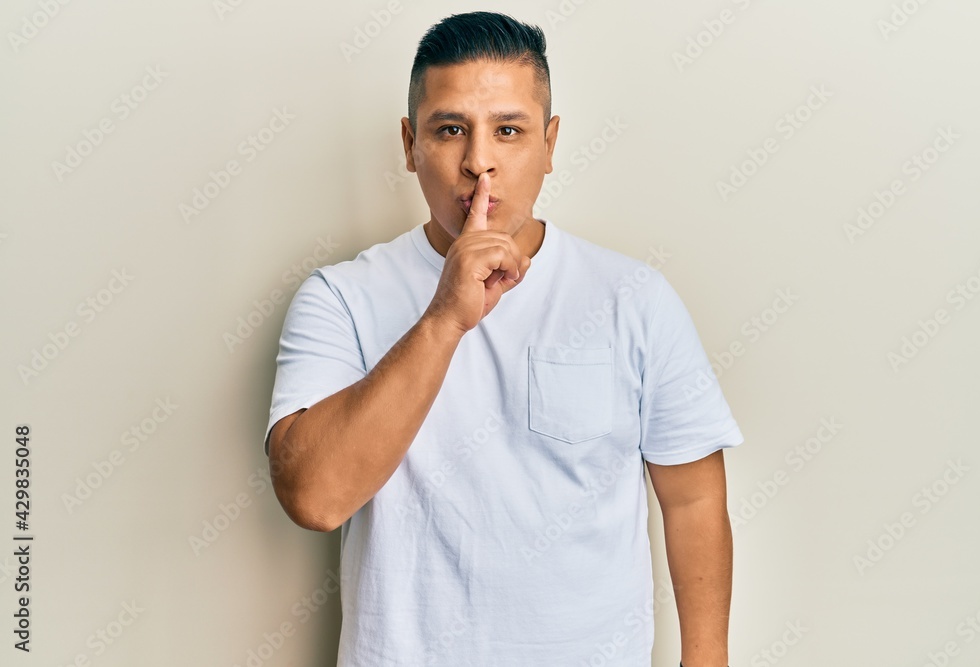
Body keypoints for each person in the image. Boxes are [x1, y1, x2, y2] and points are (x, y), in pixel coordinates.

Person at [263, 11, 742, 667]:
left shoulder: (634, 297)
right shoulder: (340, 297)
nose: (478, 162)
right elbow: (315, 498)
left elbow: (693, 498)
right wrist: (444, 318)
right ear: (409, 144)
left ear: (550, 143)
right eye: (449, 129)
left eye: (508, 131)